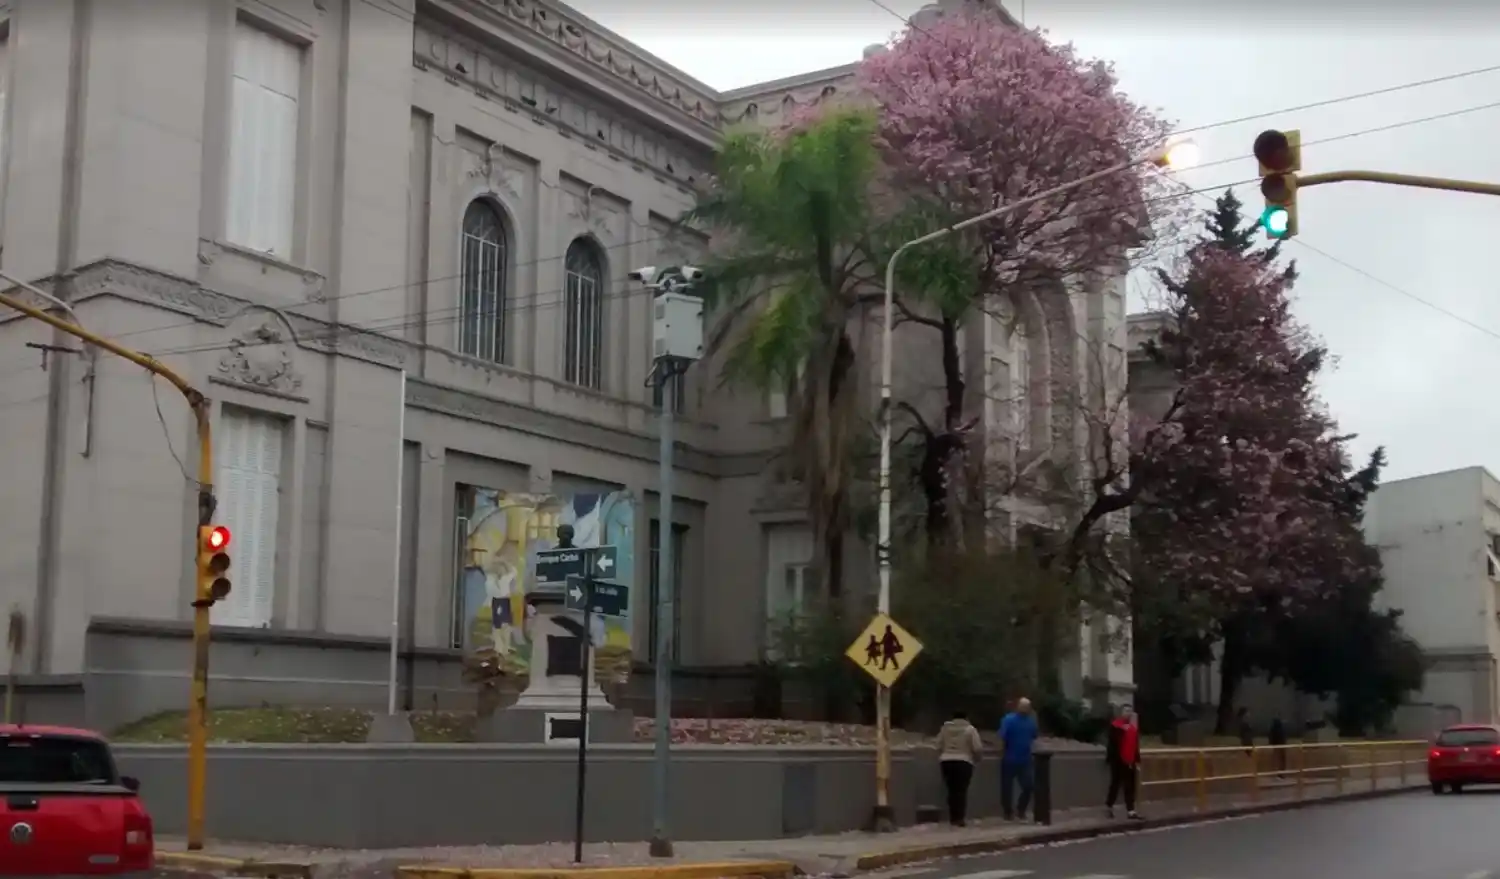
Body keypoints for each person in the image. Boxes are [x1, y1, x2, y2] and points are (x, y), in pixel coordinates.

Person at [935, 710, 984, 826]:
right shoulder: (970, 729)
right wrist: (977, 759)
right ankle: (959, 818)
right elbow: (977, 748)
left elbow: (938, 745)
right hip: (964, 761)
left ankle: (953, 817)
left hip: (946, 761)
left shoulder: (945, 728)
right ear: (966, 718)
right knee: (961, 790)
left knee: (951, 790)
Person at [998, 696, 1039, 821]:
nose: (1025, 709)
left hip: (1024, 758)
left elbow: (1034, 735)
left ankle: (1020, 809)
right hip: (1010, 757)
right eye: (1023, 706)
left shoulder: (1030, 722)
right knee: (1007, 787)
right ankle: (1008, 812)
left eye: (1027, 707)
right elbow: (1002, 737)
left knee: (1029, 786)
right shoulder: (1009, 719)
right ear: (1018, 706)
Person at [1105, 704, 1143, 820]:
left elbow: (1135, 745)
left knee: (1130, 785)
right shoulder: (1115, 726)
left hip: (1130, 760)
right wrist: (1110, 759)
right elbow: (1111, 744)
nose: (1128, 713)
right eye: (1126, 711)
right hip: (1117, 760)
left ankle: (1130, 810)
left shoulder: (1132, 728)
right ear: (1121, 712)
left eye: (1130, 711)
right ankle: (1109, 806)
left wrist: (1137, 760)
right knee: (1115, 784)